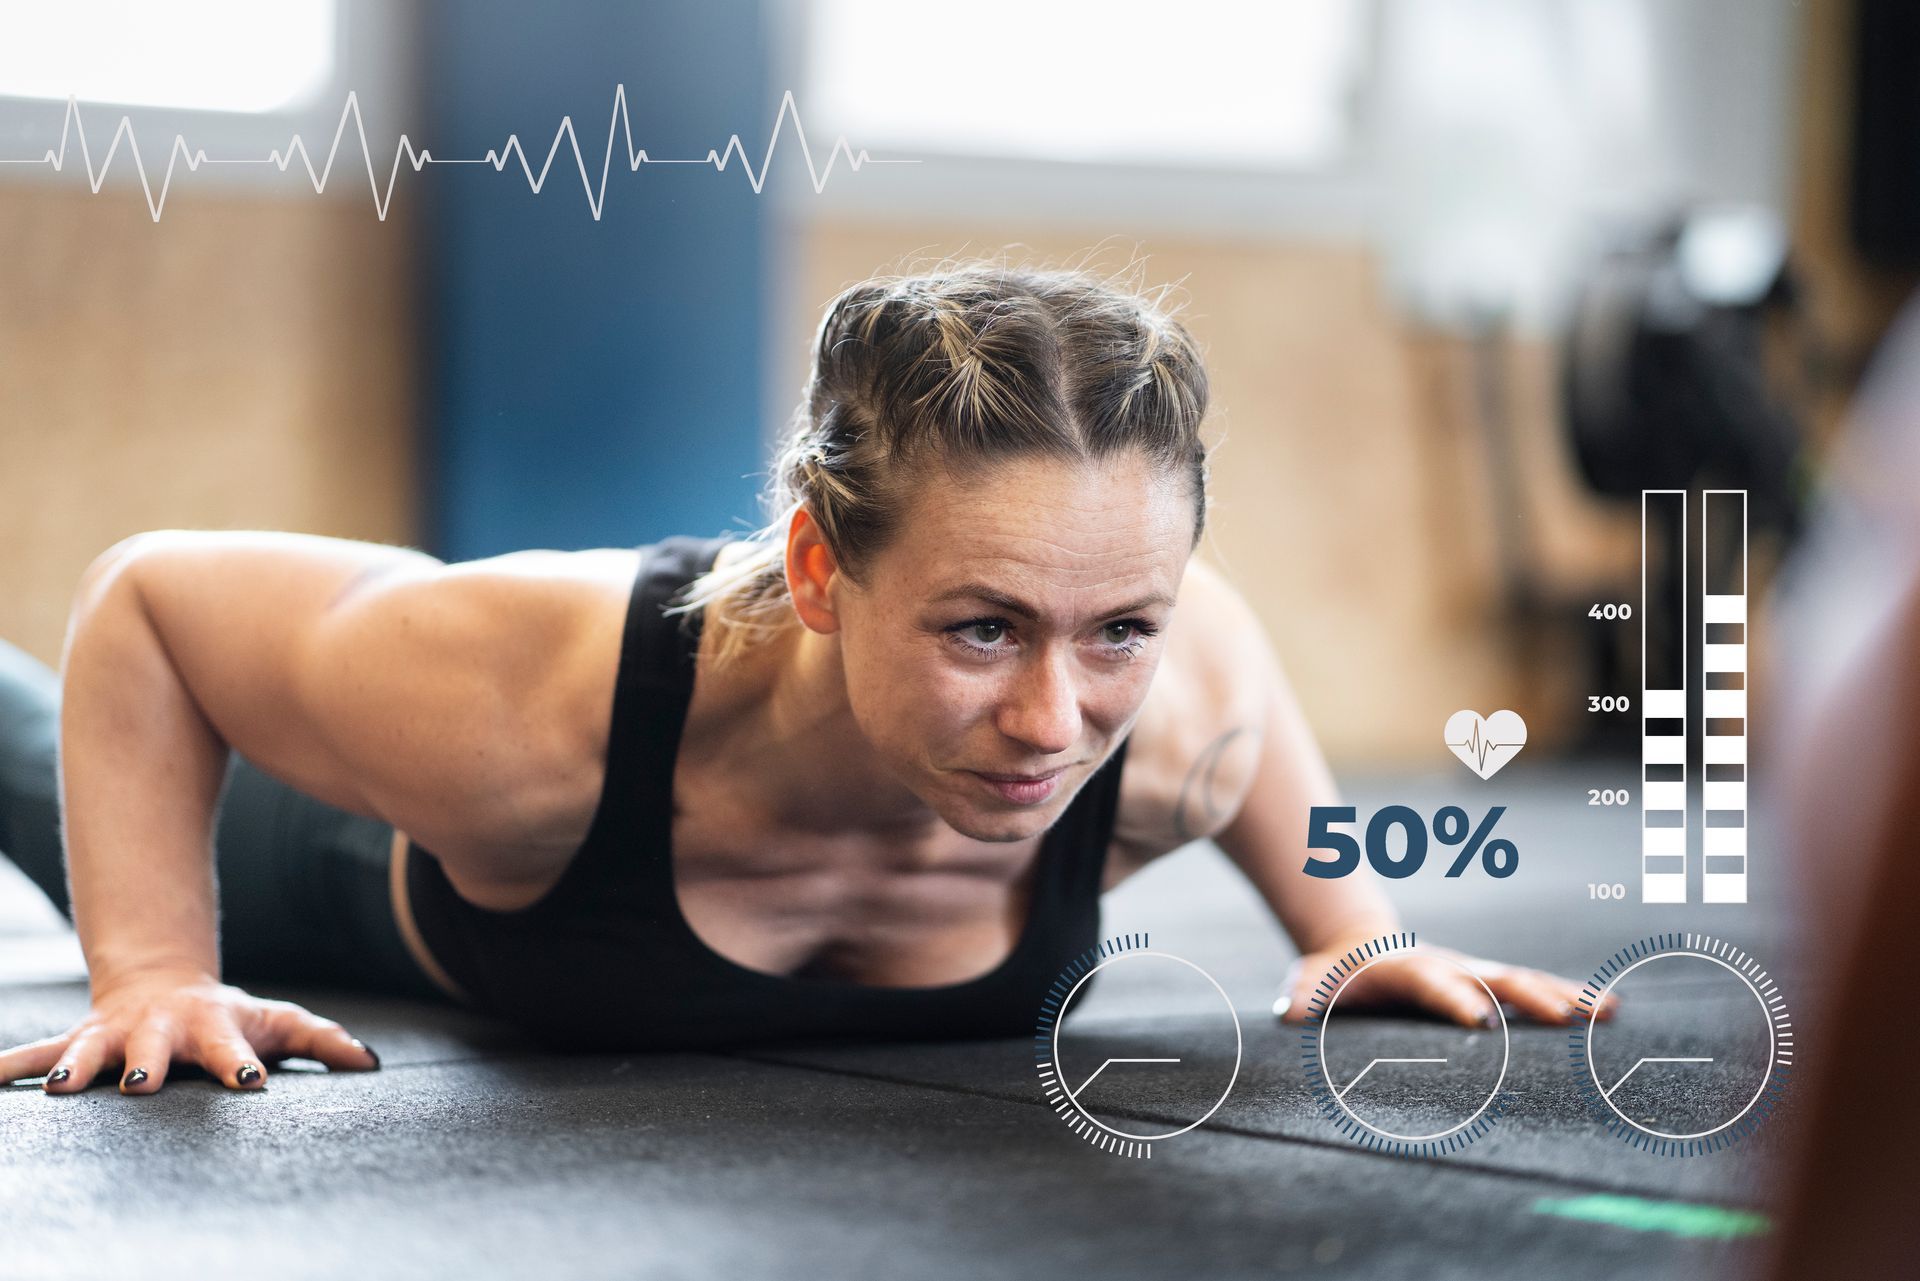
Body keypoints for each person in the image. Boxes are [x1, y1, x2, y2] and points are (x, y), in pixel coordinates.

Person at [0, 258, 1600, 1096]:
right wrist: (149, 966)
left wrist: (1350, 937)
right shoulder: (525, 702)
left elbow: (1223, 663)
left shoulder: (1183, 707)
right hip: (311, 863)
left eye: (1122, 624)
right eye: (981, 628)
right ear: (825, 567)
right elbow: (145, 600)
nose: (1056, 719)